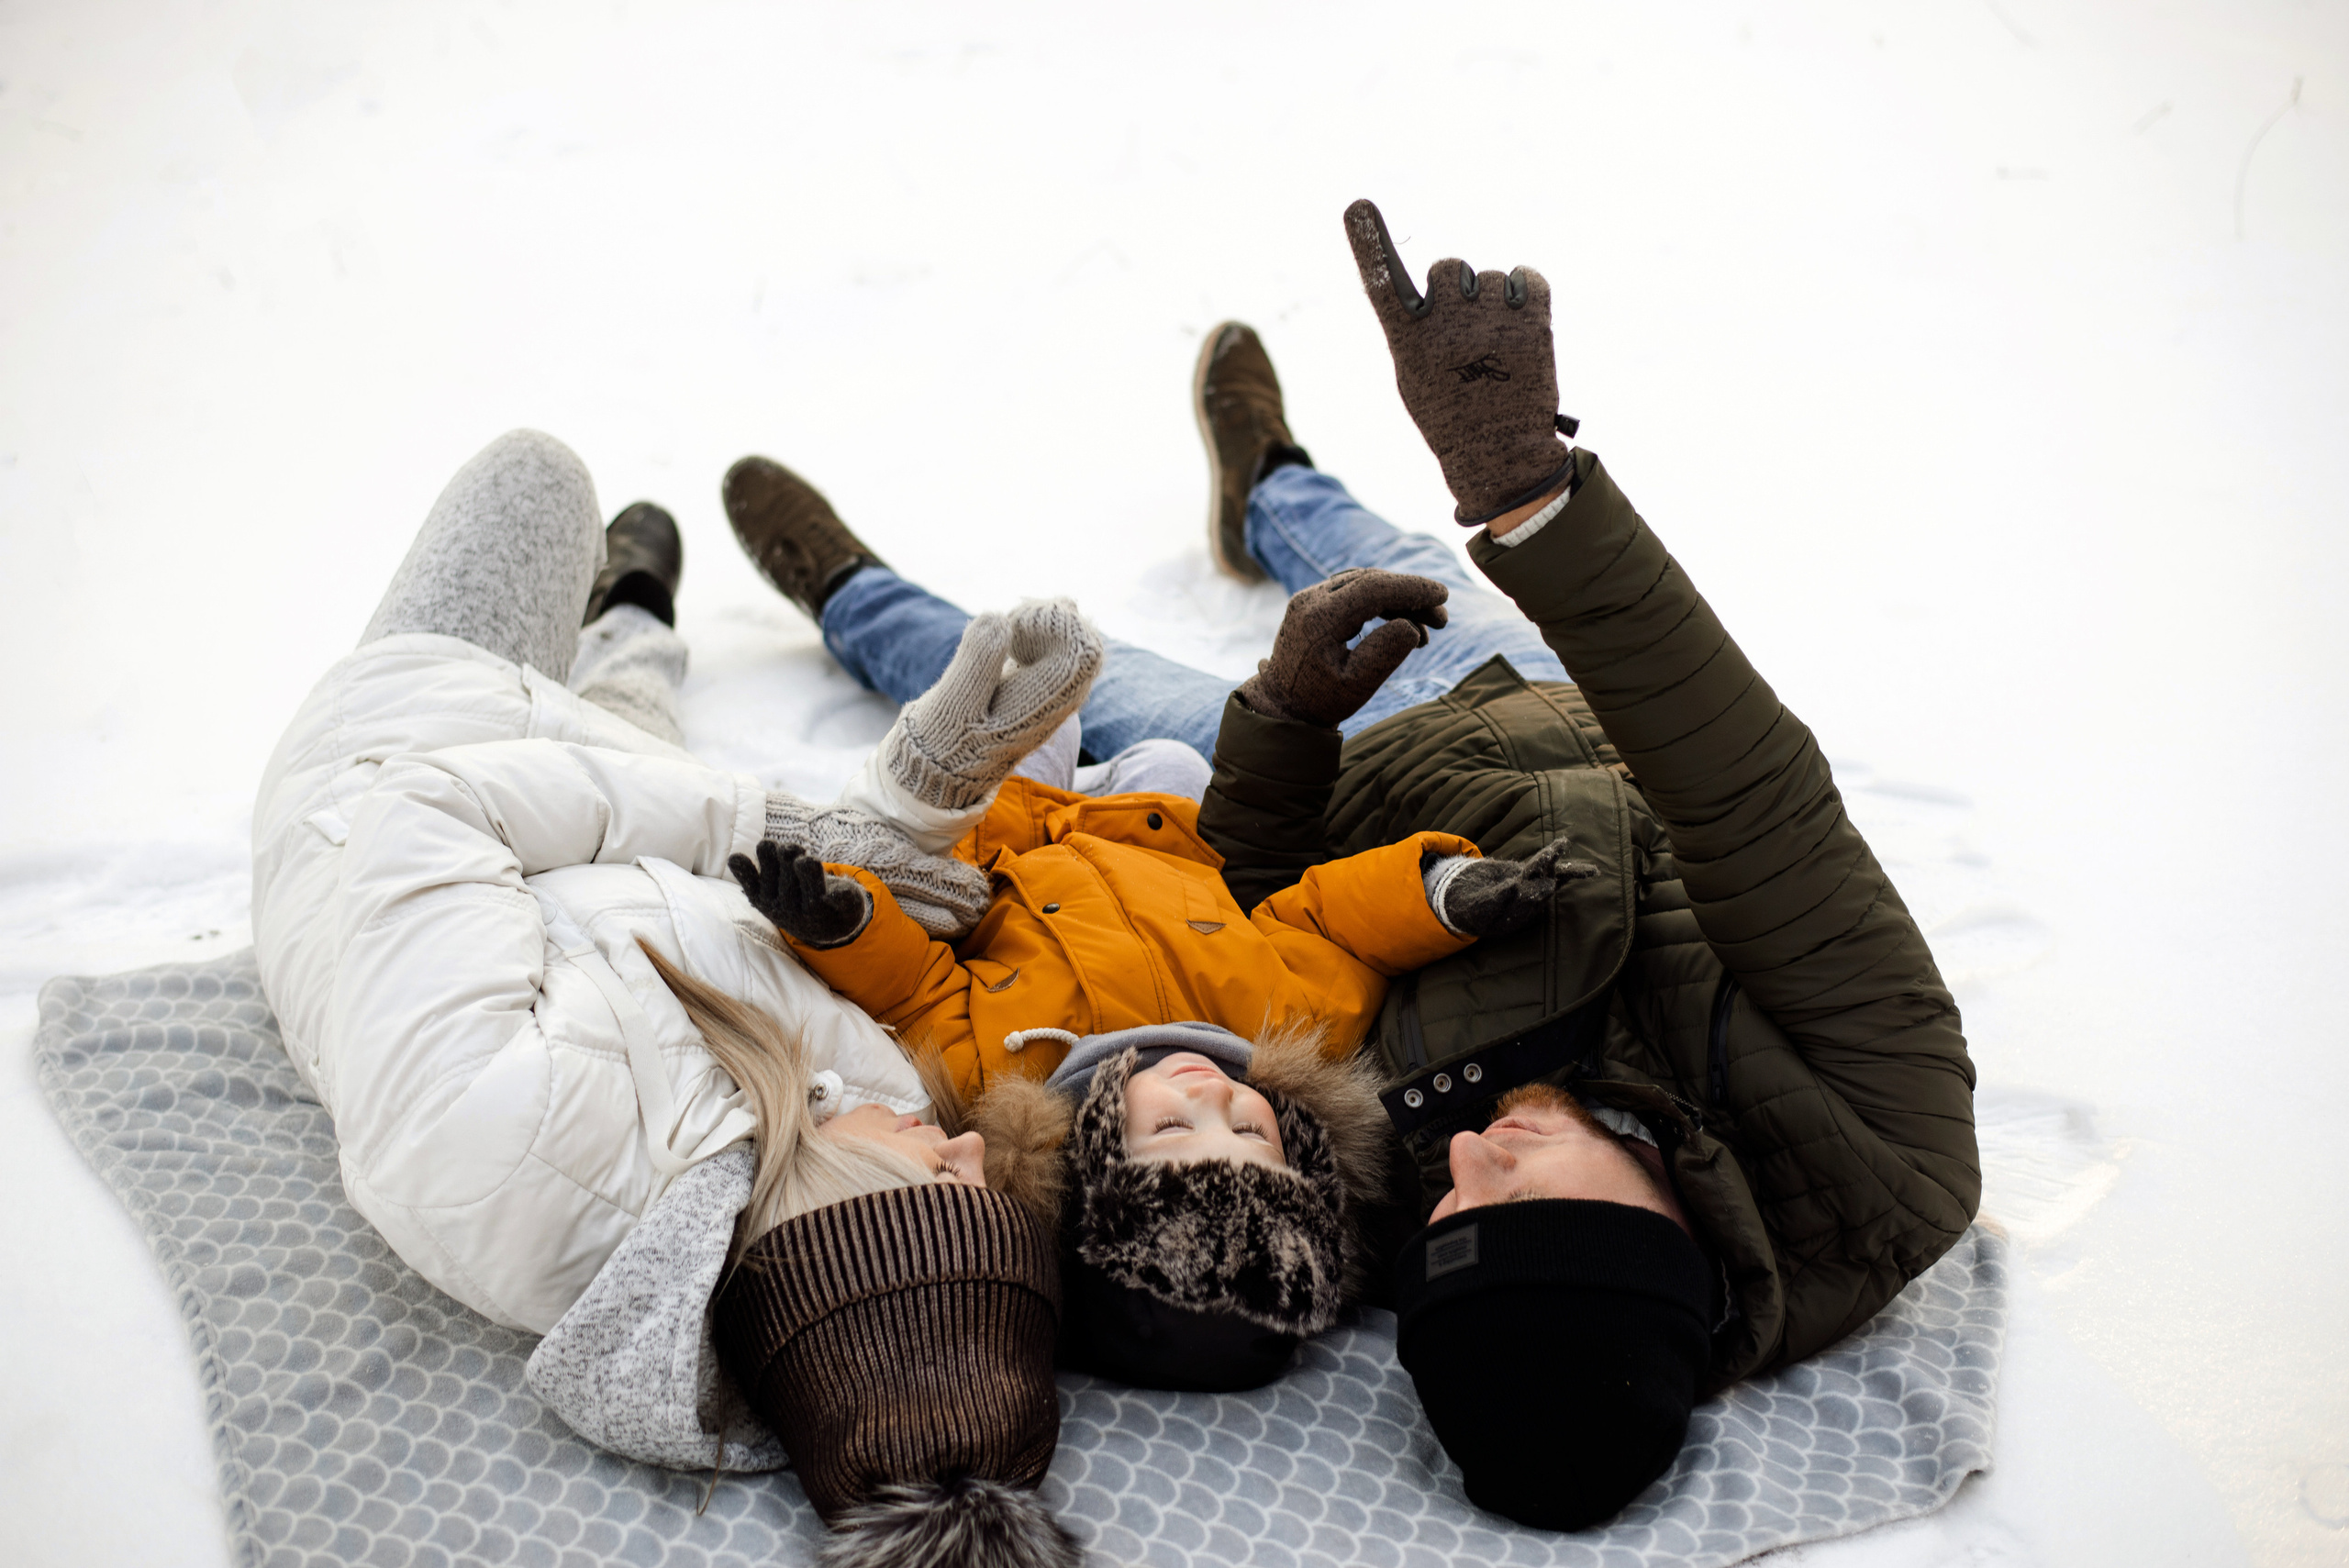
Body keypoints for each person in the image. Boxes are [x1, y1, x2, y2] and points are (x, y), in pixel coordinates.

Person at [1180, 201, 1981, 1529]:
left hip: (1352, 767)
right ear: (1656, 1247)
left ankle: (855, 592)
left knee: (1049, 690)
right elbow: (1751, 802)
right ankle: (1271, 484)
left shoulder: (1387, 1216)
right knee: (1426, 571)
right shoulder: (1880, 1155)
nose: (1476, 1154)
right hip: (1569, 701)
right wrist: (1535, 502)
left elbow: (1249, 936)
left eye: (1453, 1212)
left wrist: (1279, 725)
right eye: (1524, 1185)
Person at [248, 429, 1101, 1563]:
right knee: (636, 722)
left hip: (409, 754)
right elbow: (770, 904)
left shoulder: (499, 1147)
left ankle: (630, 616)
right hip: (604, 812)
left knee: (536, 479)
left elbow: (436, 810)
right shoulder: (868, 1098)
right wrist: (919, 792)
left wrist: (757, 820)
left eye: (947, 1188)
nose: (976, 1155)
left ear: (834, 1237)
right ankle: (630, 638)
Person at [721, 453, 1598, 1393]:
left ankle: (851, 592)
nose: (1210, 1094)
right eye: (1253, 1134)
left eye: (1175, 1128)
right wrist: (1442, 896)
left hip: (1006, 849)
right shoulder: (1286, 1026)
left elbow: (916, 985)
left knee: (1014, 704)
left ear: (1098, 1166)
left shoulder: (999, 1072)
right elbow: (1330, 923)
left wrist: (840, 922)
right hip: (1149, 823)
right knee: (1165, 751)